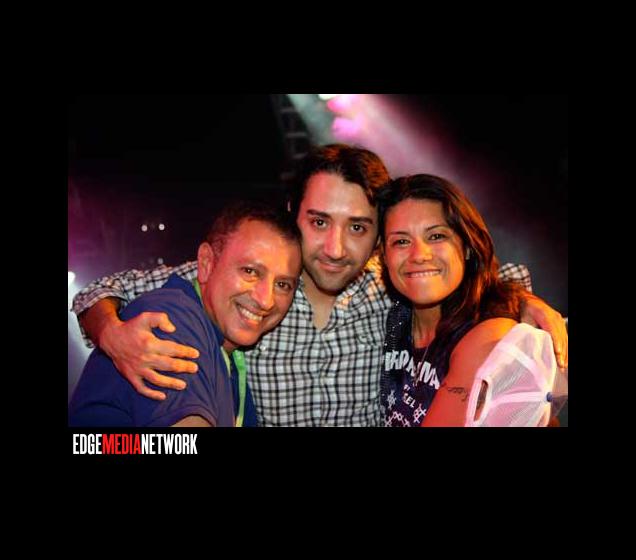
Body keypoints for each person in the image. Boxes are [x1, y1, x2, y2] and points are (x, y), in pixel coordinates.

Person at [71, 144, 568, 427]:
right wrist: (111, 330)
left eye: (357, 227)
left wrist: (527, 305)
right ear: (294, 214)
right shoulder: (249, 287)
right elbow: (109, 287)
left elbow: (476, 274)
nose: (335, 248)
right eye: (319, 222)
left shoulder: (392, 284)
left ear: (378, 236)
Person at [68, 200, 302, 427]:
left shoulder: (226, 352)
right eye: (250, 271)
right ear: (206, 263)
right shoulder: (171, 321)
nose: (266, 300)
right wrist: (108, 328)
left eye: (283, 285)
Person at [377, 174, 565, 426]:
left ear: (467, 246)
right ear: (383, 255)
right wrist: (522, 298)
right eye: (401, 241)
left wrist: (520, 300)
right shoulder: (393, 313)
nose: (419, 255)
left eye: (436, 236)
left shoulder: (488, 336)